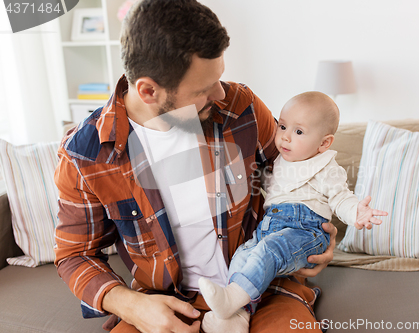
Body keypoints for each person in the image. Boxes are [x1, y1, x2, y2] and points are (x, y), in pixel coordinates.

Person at [53, 1, 337, 332]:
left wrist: (318, 237)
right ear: (148, 90)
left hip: (265, 288)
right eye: (203, 89)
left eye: (218, 77)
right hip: (165, 300)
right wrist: (130, 304)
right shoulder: (84, 155)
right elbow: (74, 255)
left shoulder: (238, 108)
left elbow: (303, 172)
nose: (220, 92)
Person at [198, 92, 389, 331]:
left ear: (324, 143)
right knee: (244, 255)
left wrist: (356, 213)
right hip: (270, 228)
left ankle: (231, 299)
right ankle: (236, 316)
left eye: (298, 132)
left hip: (306, 231)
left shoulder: (326, 167)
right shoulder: (278, 162)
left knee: (270, 250)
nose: (285, 137)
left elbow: (341, 198)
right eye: (283, 126)